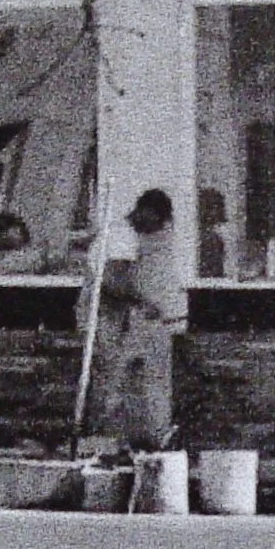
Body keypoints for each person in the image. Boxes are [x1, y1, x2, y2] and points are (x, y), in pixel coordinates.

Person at [92, 188, 183, 452]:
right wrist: (146, 299)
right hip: (107, 318)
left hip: (129, 319)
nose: (158, 227)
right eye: (156, 219)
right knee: (113, 379)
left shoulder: (139, 238)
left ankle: (140, 438)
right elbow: (114, 279)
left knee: (138, 380)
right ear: (146, 212)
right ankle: (109, 441)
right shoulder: (122, 236)